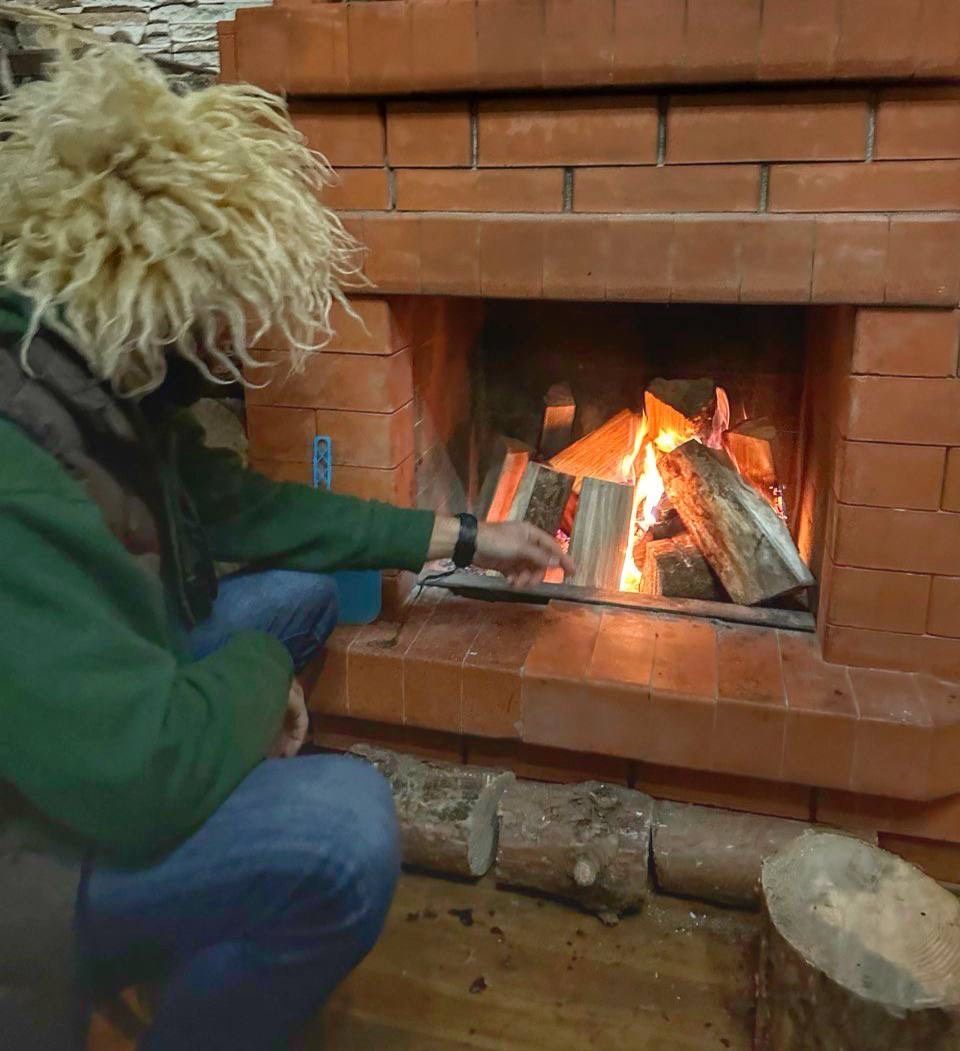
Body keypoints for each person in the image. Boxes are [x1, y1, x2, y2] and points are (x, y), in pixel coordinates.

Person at [0, 41, 572, 1050]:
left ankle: (207, 891)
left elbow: (252, 510)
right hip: (30, 857)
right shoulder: (20, 462)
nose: (232, 344)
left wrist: (464, 537)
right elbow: (141, 776)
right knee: (344, 828)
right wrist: (262, 682)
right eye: (218, 314)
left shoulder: (84, 385)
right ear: (153, 283)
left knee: (301, 591)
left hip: (89, 720)